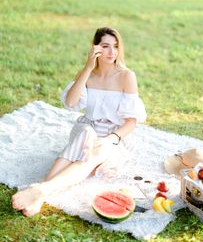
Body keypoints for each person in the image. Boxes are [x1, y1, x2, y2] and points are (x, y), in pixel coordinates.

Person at [12, 27, 147, 217]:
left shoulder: (126, 76)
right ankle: (41, 192)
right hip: (88, 125)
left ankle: (40, 191)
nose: (111, 52)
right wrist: (88, 68)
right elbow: (71, 102)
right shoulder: (88, 74)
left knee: (96, 151)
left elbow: (131, 122)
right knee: (85, 134)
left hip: (114, 134)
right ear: (95, 48)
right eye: (105, 46)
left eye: (115, 46)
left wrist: (111, 138)